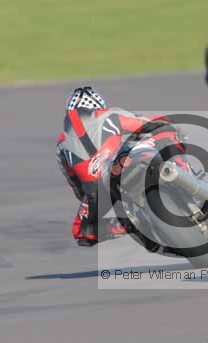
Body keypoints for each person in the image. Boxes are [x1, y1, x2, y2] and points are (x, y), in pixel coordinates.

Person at [56, 86, 185, 248]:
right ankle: (182, 172)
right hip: (122, 163)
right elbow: (149, 123)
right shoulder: (109, 115)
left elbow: (76, 187)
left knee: (81, 232)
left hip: (98, 189)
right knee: (168, 132)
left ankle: (126, 225)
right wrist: (170, 126)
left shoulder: (61, 144)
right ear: (98, 105)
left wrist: (91, 199)